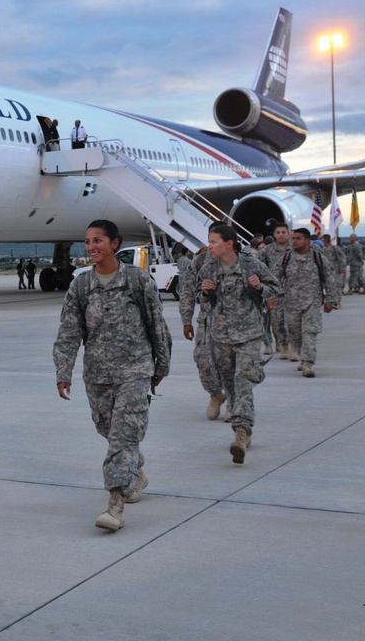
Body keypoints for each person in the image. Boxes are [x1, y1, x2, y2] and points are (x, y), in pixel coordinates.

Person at [53, 220, 172, 532]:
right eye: (88, 241)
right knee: (109, 429)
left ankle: (115, 505)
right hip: (98, 376)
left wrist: (161, 366)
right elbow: (68, 333)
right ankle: (137, 469)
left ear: (114, 243)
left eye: (98, 241)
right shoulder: (81, 286)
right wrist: (62, 371)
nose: (91, 247)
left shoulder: (137, 280)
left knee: (122, 437)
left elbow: (157, 325)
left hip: (135, 371)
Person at [199, 224, 279, 464]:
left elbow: (275, 288)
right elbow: (199, 296)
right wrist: (203, 291)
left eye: (214, 242)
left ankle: (241, 432)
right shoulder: (208, 268)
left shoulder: (251, 265)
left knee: (243, 382)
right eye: (210, 241)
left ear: (229, 243)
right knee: (230, 385)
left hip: (249, 335)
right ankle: (242, 428)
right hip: (221, 336)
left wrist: (259, 286)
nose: (210, 246)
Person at [273, 228, 340, 378]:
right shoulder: (286, 258)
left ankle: (308, 363)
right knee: (295, 334)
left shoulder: (318, 257)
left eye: (298, 238)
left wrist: (331, 300)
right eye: (293, 238)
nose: (294, 241)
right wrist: (270, 296)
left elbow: (330, 278)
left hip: (312, 303)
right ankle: (302, 356)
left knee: (310, 332)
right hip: (291, 304)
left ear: (307, 240)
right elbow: (274, 278)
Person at [179, 224, 226, 420]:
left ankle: (234, 400)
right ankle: (216, 395)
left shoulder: (243, 261)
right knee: (203, 361)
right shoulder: (200, 261)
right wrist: (186, 320)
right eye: (211, 239)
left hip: (238, 324)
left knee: (231, 364)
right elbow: (187, 291)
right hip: (207, 321)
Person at [258, 223, 291, 357]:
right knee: (274, 321)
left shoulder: (294, 249)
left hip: (292, 291)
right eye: (278, 232)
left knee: (290, 322)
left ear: (288, 234)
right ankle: (274, 342)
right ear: (274, 235)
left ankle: (287, 346)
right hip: (273, 292)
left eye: (283, 232)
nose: (281, 235)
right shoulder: (267, 251)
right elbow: (259, 269)